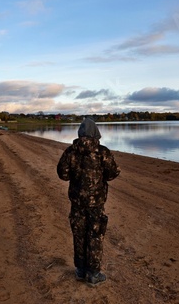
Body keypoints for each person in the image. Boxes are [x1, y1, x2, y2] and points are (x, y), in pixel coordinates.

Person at [57, 118, 120, 286]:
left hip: (77, 203)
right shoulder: (102, 152)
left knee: (79, 236)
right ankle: (93, 273)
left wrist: (76, 176)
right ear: (95, 133)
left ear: (80, 133)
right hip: (96, 204)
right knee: (95, 236)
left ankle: (81, 270)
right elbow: (113, 173)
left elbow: (62, 174)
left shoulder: (70, 151)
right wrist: (99, 178)